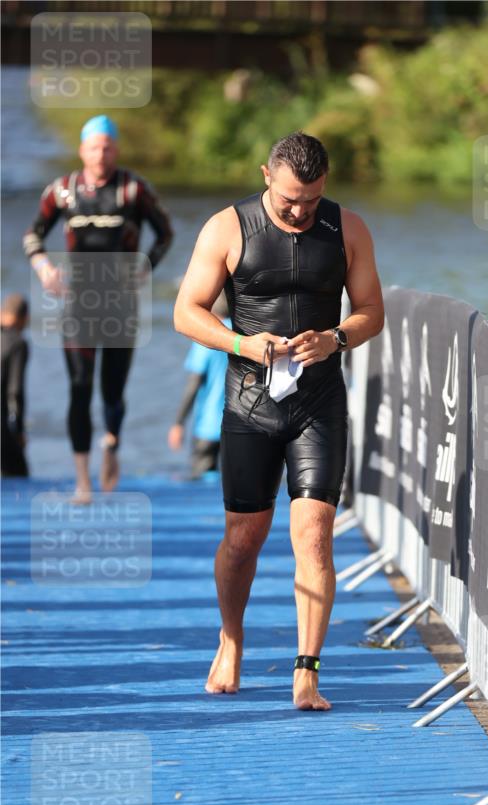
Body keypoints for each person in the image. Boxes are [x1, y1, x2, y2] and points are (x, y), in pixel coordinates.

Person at [174, 131, 384, 711]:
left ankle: (307, 670)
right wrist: (242, 343)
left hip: (318, 405)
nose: (299, 211)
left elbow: (372, 312)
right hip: (250, 404)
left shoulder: (349, 229)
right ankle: (231, 639)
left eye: (311, 201)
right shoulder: (227, 227)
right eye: (290, 199)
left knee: (314, 537)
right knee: (243, 540)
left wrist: (336, 337)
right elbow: (186, 313)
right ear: (266, 175)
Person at [23, 114, 173, 502]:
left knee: (112, 392)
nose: (101, 154)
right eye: (94, 147)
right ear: (82, 150)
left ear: (116, 149)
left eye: (107, 147)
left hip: (121, 303)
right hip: (79, 303)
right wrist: (43, 269)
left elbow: (166, 233)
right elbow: (32, 235)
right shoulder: (64, 191)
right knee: (78, 387)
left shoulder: (132, 190)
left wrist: (145, 267)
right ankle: (82, 480)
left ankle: (111, 442)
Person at [168, 293, 231, 478]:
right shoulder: (242, 334)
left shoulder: (208, 337)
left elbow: (193, 384)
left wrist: (179, 423)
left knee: (203, 483)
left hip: (209, 426)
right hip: (241, 423)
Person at [1, 294, 30, 478]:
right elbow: (15, 391)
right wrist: (18, 432)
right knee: (19, 474)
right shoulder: (18, 343)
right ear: (24, 318)